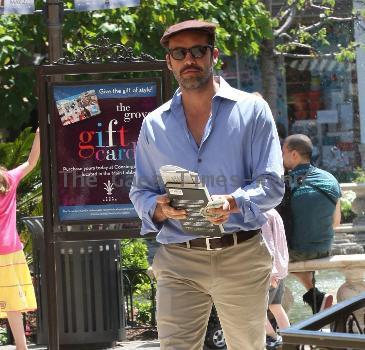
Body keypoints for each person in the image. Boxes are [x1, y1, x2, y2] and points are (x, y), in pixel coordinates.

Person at [129, 19, 284, 350]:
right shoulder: (154, 125)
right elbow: (140, 190)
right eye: (179, 53)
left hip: (240, 253)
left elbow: (272, 183)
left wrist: (234, 202)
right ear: (169, 61)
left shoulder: (252, 110)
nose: (189, 60)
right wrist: (157, 207)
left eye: (198, 51)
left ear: (214, 55)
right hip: (179, 259)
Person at [282, 134, 341, 314]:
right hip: (324, 248)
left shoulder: (284, 184)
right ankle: (315, 299)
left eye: (283, 152)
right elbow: (336, 223)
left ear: (294, 155)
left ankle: (277, 322)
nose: (280, 157)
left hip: (298, 251)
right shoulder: (330, 178)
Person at [0, 128, 40, 350]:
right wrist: (39, 135)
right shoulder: (9, 179)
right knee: (11, 301)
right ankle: (21, 346)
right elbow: (31, 162)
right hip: (11, 249)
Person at [261, 209, 290, 350]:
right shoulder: (274, 213)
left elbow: (268, 244)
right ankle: (291, 339)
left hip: (269, 272)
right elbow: (280, 244)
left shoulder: (261, 214)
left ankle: (272, 338)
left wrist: (272, 273)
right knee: (276, 307)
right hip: (280, 268)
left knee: (257, 310)